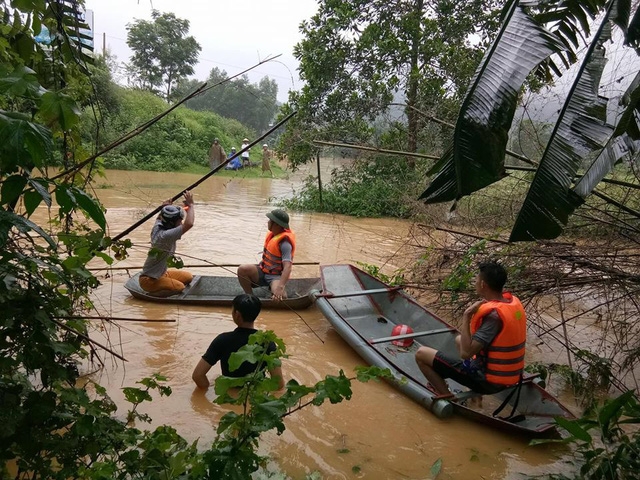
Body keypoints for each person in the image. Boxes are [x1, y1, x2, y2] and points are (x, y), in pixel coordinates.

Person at [415, 261, 526, 396]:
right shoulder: (511, 303)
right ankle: (475, 397)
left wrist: (466, 315)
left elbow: (465, 354)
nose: (475, 282)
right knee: (458, 339)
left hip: (489, 382)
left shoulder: (494, 316)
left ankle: (447, 396)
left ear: (483, 284)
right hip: (511, 376)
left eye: (477, 279)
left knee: (421, 354)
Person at [192, 294, 285, 390]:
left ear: (237, 314)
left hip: (228, 397)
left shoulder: (222, 340)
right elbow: (278, 384)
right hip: (255, 397)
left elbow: (197, 376)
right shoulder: (267, 342)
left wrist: (208, 391)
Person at [139, 191, 195, 295]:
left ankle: (163, 282)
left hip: (161, 274)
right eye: (179, 221)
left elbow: (160, 216)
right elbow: (189, 223)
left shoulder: (159, 225)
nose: (181, 223)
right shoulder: (166, 236)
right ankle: (153, 295)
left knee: (189, 277)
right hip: (149, 280)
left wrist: (165, 207)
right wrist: (191, 205)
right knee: (180, 287)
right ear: (171, 223)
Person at [237, 209, 295, 301]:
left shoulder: (285, 243)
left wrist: (280, 287)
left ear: (276, 224)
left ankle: (273, 288)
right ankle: (250, 298)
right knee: (242, 269)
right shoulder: (272, 235)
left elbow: (287, 267)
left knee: (282, 298)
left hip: (275, 276)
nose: (268, 222)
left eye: (270, 221)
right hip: (263, 270)